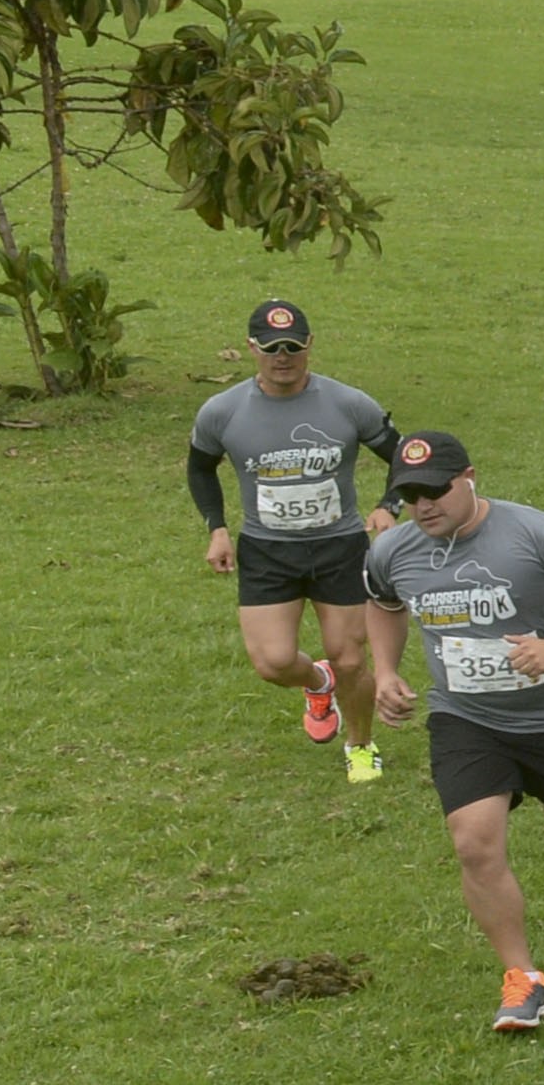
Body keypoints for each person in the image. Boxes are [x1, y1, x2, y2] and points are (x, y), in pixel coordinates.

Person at [362, 432, 544, 1032]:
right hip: (465, 718)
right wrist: (384, 672)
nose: (424, 505)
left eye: (435, 489)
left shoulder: (532, 532)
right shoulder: (393, 551)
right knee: (473, 841)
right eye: (410, 495)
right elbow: (383, 605)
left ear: (469, 477)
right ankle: (524, 980)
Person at [189, 296, 399, 784]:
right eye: (271, 347)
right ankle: (317, 681)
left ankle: (361, 747)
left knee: (351, 657)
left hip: (340, 545)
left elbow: (404, 458)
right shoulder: (222, 411)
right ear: (251, 349)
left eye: (292, 346)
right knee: (274, 662)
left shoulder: (348, 404)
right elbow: (200, 467)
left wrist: (388, 507)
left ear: (309, 345)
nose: (282, 357)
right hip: (267, 550)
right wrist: (217, 527)